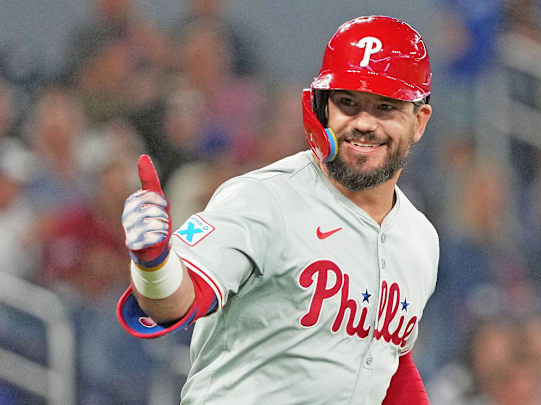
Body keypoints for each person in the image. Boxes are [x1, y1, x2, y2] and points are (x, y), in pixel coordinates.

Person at [116, 16, 436, 404]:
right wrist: (152, 262)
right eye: (348, 103)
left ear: (418, 121)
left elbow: (391, 365)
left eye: (385, 107)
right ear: (322, 108)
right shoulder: (263, 199)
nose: (364, 123)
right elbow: (178, 300)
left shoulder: (420, 238)